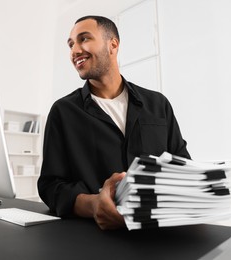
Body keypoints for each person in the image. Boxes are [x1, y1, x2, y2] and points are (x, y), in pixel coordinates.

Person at [37, 15, 190, 230]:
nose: (75, 50)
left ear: (113, 44)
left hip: (159, 234)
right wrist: (93, 205)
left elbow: (182, 166)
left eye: (84, 39)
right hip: (95, 239)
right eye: (71, 44)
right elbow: (50, 186)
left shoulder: (158, 104)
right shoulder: (63, 112)